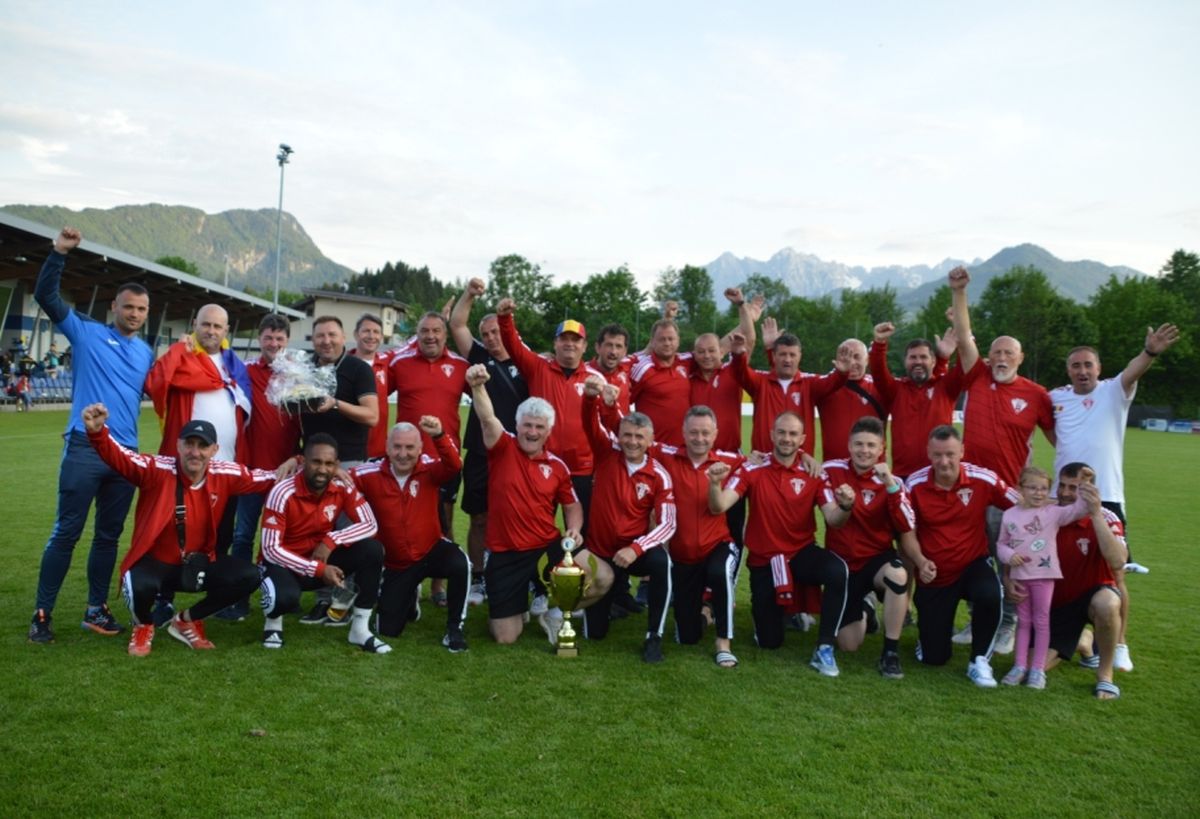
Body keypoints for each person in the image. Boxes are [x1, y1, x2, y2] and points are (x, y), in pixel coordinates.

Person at [29, 227, 154, 644]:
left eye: (141, 309)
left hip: (124, 454)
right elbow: (46, 296)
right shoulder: (86, 332)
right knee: (67, 532)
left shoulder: (146, 352)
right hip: (85, 448)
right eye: (128, 306)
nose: (134, 314)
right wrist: (58, 253)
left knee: (108, 537)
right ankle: (42, 613)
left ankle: (95, 609)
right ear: (113, 306)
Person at [80, 405, 279, 655]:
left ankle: (187, 620)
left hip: (197, 563)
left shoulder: (224, 473)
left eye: (203, 446)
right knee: (135, 584)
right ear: (178, 445)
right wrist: (98, 432)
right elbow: (122, 458)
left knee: (249, 575)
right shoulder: (157, 469)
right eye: (189, 444)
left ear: (214, 450)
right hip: (157, 563)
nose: (195, 452)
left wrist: (299, 464)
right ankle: (143, 625)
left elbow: (266, 478)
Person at [1049, 324, 1179, 672]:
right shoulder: (1056, 397)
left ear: (1099, 368)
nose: (1082, 370)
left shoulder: (1114, 391)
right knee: (1061, 567)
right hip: (1062, 497)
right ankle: (1072, 635)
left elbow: (1134, 370)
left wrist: (1150, 351)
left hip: (1106, 497)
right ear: (1068, 370)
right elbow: (1050, 430)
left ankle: (1120, 644)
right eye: (1076, 365)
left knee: (1115, 573)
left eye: (1088, 364)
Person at [465, 364, 613, 645]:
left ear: (548, 431)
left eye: (539, 427)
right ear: (517, 425)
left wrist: (575, 529)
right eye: (527, 425)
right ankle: (518, 603)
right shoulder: (502, 447)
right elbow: (487, 418)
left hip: (545, 547)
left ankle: (557, 612)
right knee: (505, 637)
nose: (532, 432)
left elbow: (572, 505)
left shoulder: (557, 466)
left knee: (603, 577)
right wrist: (477, 386)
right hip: (505, 553)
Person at [948, 266, 1055, 652]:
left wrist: (1057, 487)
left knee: (1010, 562)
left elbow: (1059, 441)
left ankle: (1008, 624)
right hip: (969, 491)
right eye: (996, 352)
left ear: (1020, 358)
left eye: (1009, 352)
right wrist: (959, 292)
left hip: (1009, 495)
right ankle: (977, 619)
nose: (1001, 357)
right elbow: (963, 336)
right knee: (972, 560)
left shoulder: (1037, 395)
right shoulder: (977, 377)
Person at [707, 411, 853, 676]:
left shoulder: (814, 473)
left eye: (793, 434)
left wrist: (845, 506)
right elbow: (720, 506)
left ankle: (824, 647)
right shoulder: (752, 469)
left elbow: (834, 519)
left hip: (800, 553)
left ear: (803, 439)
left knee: (837, 570)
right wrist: (715, 485)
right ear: (772, 435)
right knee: (769, 642)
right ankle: (788, 610)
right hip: (765, 559)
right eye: (782, 433)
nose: (787, 438)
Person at [904, 425, 1020, 686]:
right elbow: (907, 533)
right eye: (937, 455)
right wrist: (921, 562)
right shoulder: (914, 484)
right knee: (934, 658)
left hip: (972, 564)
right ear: (928, 453)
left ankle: (980, 661)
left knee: (991, 592)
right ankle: (930, 638)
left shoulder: (984, 479)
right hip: (934, 572)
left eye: (950, 454)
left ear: (962, 452)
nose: (944, 461)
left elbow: (1021, 506)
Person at [259, 434, 389, 653]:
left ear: (337, 465)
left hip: (320, 556)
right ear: (303, 462)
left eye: (329, 464)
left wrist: (332, 540)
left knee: (372, 550)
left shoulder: (342, 486)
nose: (322, 469)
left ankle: (359, 629)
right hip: (286, 565)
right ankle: (273, 624)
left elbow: (370, 524)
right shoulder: (282, 491)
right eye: (316, 462)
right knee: (284, 598)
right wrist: (319, 569)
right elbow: (270, 549)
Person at [349, 417, 470, 652]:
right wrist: (300, 461)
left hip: (430, 549)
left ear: (420, 448)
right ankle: (410, 599)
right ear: (387, 447)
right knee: (387, 630)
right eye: (397, 447)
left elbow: (454, 465)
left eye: (410, 447)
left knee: (460, 562)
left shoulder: (429, 468)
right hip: (397, 563)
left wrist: (439, 435)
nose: (403, 454)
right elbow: (337, 480)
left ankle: (455, 628)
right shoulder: (368, 473)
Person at [581, 379, 677, 662]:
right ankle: (605, 602)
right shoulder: (606, 453)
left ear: (650, 440)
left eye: (639, 437)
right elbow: (590, 423)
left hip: (632, 552)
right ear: (619, 435)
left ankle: (654, 636)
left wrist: (636, 548)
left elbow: (668, 524)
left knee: (661, 562)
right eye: (627, 435)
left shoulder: (659, 475)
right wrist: (590, 400)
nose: (632, 442)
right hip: (601, 553)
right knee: (595, 634)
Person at [645, 402, 746, 667]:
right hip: (682, 555)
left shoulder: (731, 461)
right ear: (683, 432)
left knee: (720, 572)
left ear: (715, 434)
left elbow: (767, 461)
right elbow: (632, 439)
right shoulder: (665, 454)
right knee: (687, 637)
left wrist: (803, 456)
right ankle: (705, 614)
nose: (699, 438)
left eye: (705, 433)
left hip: (717, 545)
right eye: (693, 432)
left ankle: (724, 643)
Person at [449, 279, 529, 607]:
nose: (492, 338)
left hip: (517, 455)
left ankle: (519, 577)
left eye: (496, 332)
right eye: (486, 334)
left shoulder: (526, 362)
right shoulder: (479, 356)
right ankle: (479, 578)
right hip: (481, 452)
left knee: (517, 517)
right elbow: (457, 324)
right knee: (479, 517)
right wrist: (469, 294)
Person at [296, 316, 379, 624]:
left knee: (345, 535)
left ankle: (343, 600)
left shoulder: (358, 369)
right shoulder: (303, 367)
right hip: (312, 463)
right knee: (316, 531)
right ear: (313, 339)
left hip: (348, 463)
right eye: (320, 336)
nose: (326, 341)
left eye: (332, 335)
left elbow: (371, 415)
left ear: (344, 337)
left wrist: (334, 403)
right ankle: (322, 598)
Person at [822, 416, 918, 679]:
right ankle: (867, 608)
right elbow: (804, 472)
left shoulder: (893, 482)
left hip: (877, 561)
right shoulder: (831, 470)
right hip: (843, 565)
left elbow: (907, 523)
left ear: (881, 449)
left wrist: (890, 486)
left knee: (898, 574)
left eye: (871, 445)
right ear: (849, 446)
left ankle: (890, 653)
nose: (864, 450)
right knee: (849, 645)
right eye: (859, 444)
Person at [221, 313, 301, 621]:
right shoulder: (247, 370)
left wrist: (299, 457)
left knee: (284, 538)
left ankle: (283, 593)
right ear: (259, 339)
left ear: (287, 341)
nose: (274, 343)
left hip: (287, 474)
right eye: (268, 337)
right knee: (243, 536)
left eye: (280, 338)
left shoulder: (297, 375)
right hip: (252, 472)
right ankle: (239, 598)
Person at [495, 298, 602, 517]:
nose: (569, 344)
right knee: (538, 524)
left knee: (581, 527)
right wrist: (505, 318)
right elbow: (513, 344)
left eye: (576, 340)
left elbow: (604, 425)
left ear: (585, 346)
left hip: (581, 467)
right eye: (564, 339)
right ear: (555, 343)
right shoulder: (538, 367)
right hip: (544, 461)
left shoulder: (595, 379)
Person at [1033, 462, 1127, 699]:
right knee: (1032, 667)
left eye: (1073, 488)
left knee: (1107, 603)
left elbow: (1118, 561)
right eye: (1062, 485)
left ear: (1089, 491)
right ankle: (1083, 640)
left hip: (1090, 597)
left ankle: (1105, 676)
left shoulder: (1106, 516)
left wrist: (1095, 513)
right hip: (1056, 603)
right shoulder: (1048, 513)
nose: (1065, 493)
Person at [995, 465, 1091, 689]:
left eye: (1043, 489)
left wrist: (1086, 484)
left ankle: (1037, 670)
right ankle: (1019, 666)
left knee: (1041, 621)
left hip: (1044, 576)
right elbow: (1001, 544)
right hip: (1020, 576)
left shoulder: (1053, 512)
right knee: (1023, 622)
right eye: (1032, 488)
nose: (1038, 493)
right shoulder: (1009, 515)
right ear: (1020, 488)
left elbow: (1080, 508)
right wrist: (1009, 555)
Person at [146, 303, 251, 464]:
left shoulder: (235, 366)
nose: (211, 331)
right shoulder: (182, 357)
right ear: (195, 324)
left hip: (228, 461)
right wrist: (178, 349)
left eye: (217, 326)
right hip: (187, 461)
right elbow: (154, 383)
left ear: (226, 330)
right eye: (206, 324)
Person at [730, 326, 848, 457]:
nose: (787, 359)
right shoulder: (760, 382)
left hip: (800, 463)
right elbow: (741, 372)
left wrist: (842, 373)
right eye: (783, 354)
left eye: (792, 355)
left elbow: (832, 382)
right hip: (764, 461)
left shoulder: (810, 383)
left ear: (800, 356)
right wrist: (738, 355)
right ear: (773, 356)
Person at [867, 322, 958, 480]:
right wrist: (879, 343)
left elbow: (966, 367)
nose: (918, 361)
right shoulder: (895, 389)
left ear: (933, 361)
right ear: (905, 361)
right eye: (913, 357)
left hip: (938, 473)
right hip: (904, 475)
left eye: (923, 357)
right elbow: (878, 371)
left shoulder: (946, 387)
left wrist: (962, 338)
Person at [813, 339, 887, 463]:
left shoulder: (881, 388)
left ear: (867, 360)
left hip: (873, 468)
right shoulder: (825, 386)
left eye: (857, 357)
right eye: (845, 357)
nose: (851, 362)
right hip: (834, 468)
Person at [349, 313, 394, 460]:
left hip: (378, 451)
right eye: (366, 331)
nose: (371, 336)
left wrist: (443, 320)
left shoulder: (387, 362)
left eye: (376, 332)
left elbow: (412, 343)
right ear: (356, 334)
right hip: (348, 450)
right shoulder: (344, 363)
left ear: (381, 336)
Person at [589, 323, 633, 415]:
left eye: (618, 346)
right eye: (609, 345)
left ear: (625, 351)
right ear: (598, 347)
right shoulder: (583, 373)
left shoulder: (628, 369)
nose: (613, 351)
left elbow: (651, 348)